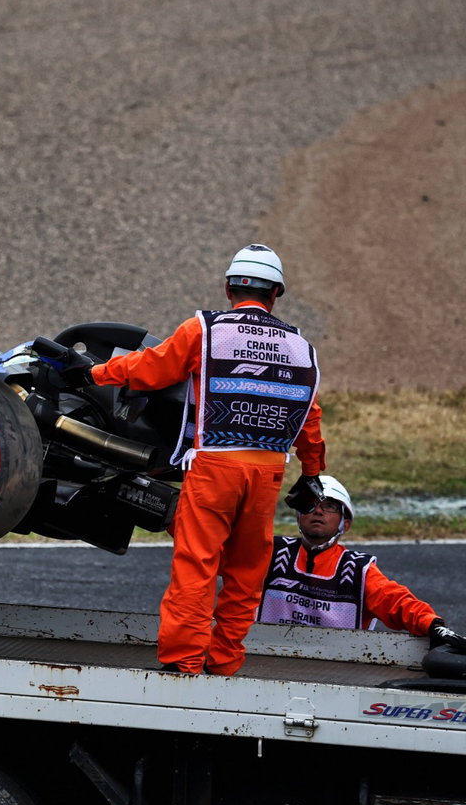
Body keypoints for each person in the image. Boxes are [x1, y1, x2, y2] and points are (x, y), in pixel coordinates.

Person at [49, 244, 325, 675]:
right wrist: (311, 473)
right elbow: (310, 417)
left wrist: (91, 373)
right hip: (268, 474)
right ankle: (225, 662)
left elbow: (152, 368)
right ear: (276, 294)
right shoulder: (300, 348)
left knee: (197, 565)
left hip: (214, 466)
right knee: (246, 574)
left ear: (229, 288)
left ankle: (185, 662)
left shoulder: (206, 330)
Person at [259, 475, 458, 642]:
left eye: (330, 506)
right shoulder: (271, 552)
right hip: (267, 659)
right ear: (298, 516)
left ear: (345, 524)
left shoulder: (356, 570)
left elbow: (394, 601)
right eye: (311, 505)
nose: (318, 511)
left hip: (339, 668)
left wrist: (432, 625)